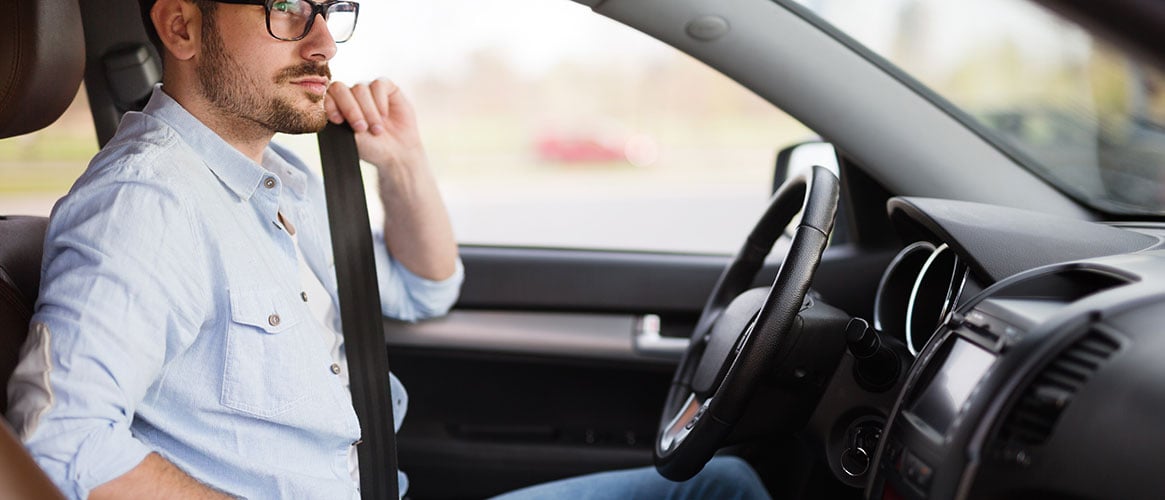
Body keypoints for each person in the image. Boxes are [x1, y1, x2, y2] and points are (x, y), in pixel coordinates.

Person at [4, 0, 770, 498]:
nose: (323, 40)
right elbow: (59, 435)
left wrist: (402, 161)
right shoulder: (146, 205)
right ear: (181, 27)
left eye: (331, 9)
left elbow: (422, 286)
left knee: (723, 481)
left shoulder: (268, 179)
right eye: (286, 11)